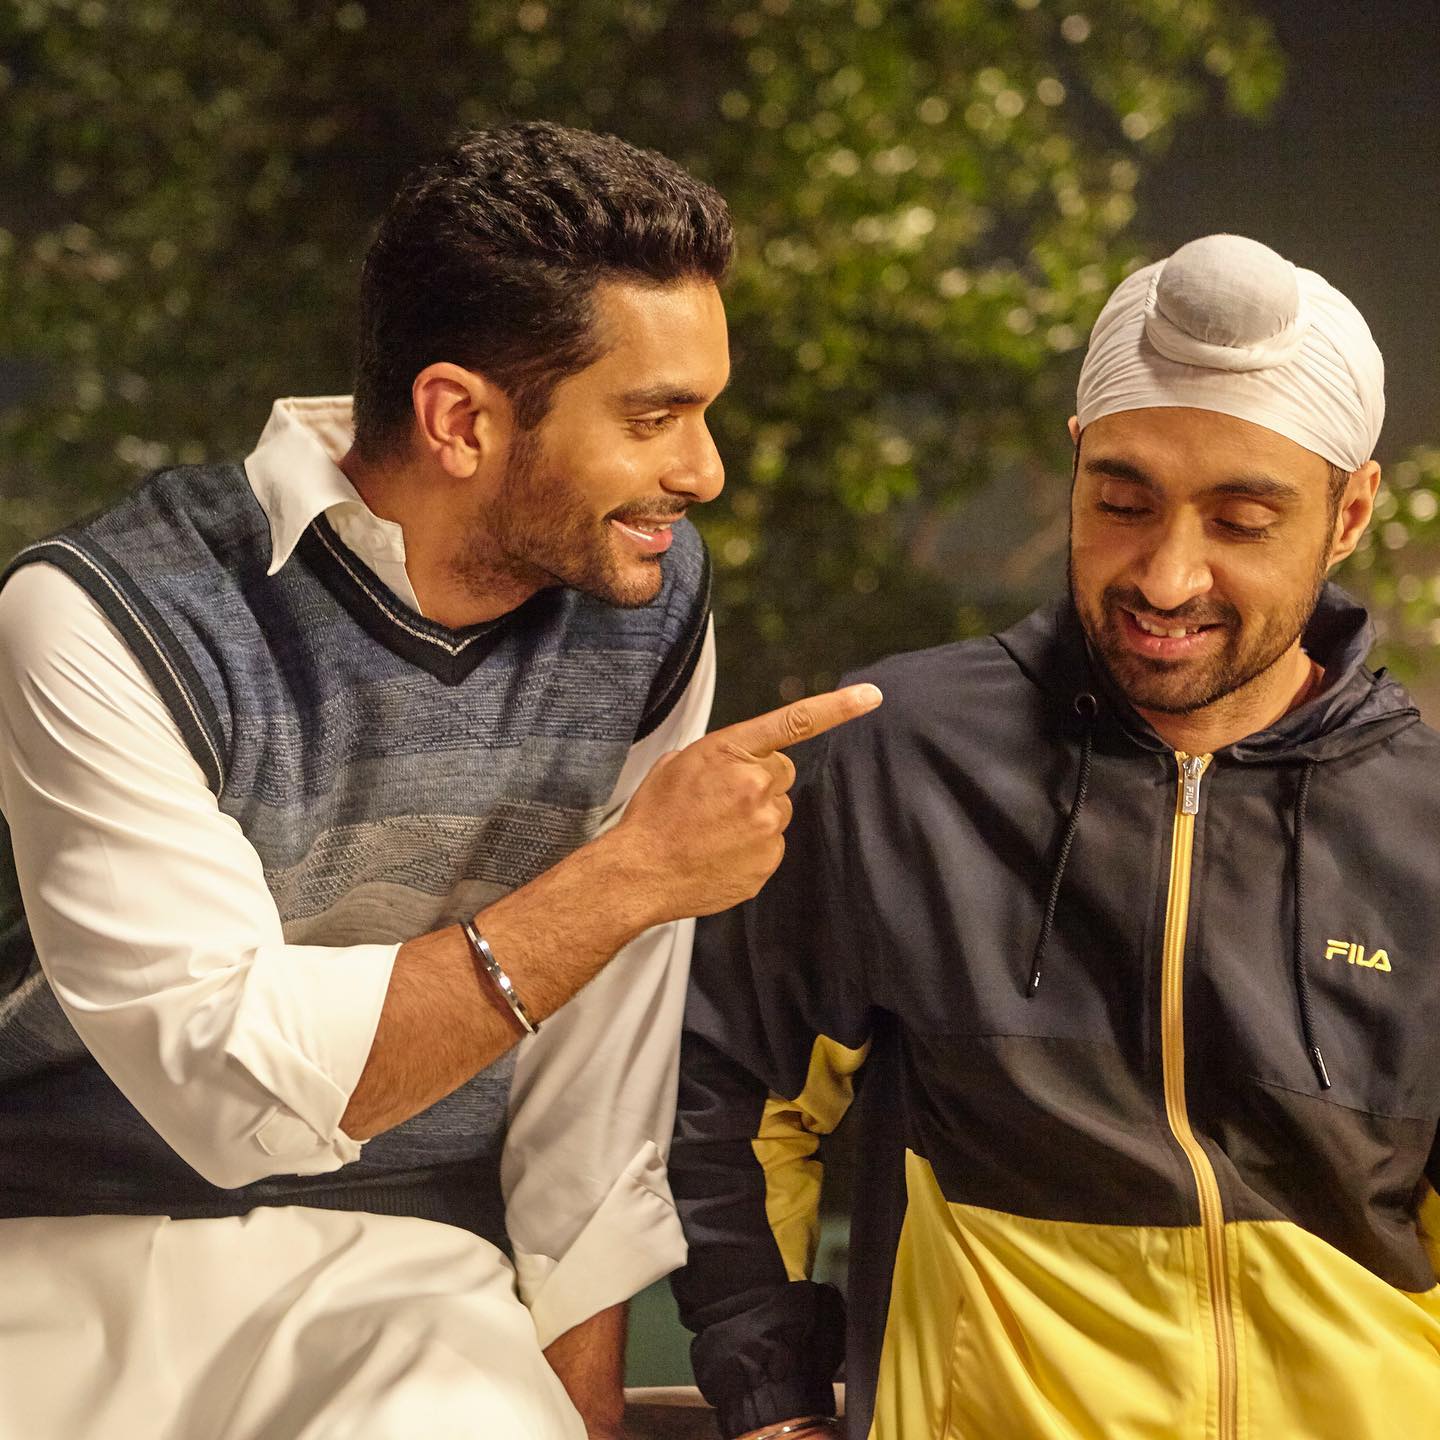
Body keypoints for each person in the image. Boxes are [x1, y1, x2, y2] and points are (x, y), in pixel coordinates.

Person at [0, 121, 879, 1440]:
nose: (703, 471)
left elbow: (596, 1072)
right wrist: (632, 877)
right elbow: (226, 1087)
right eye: (654, 419)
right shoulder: (102, 615)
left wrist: (582, 1411)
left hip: (409, 1271)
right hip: (46, 1241)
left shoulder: (645, 602)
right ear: (460, 419)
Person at [669, 232, 1440, 1440]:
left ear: (1349, 515)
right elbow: (730, 1099)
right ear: (1077, 461)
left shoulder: (1425, 825)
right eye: (1123, 504)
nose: (1168, 577)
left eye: (1242, 522)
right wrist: (771, 1403)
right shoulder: (901, 756)